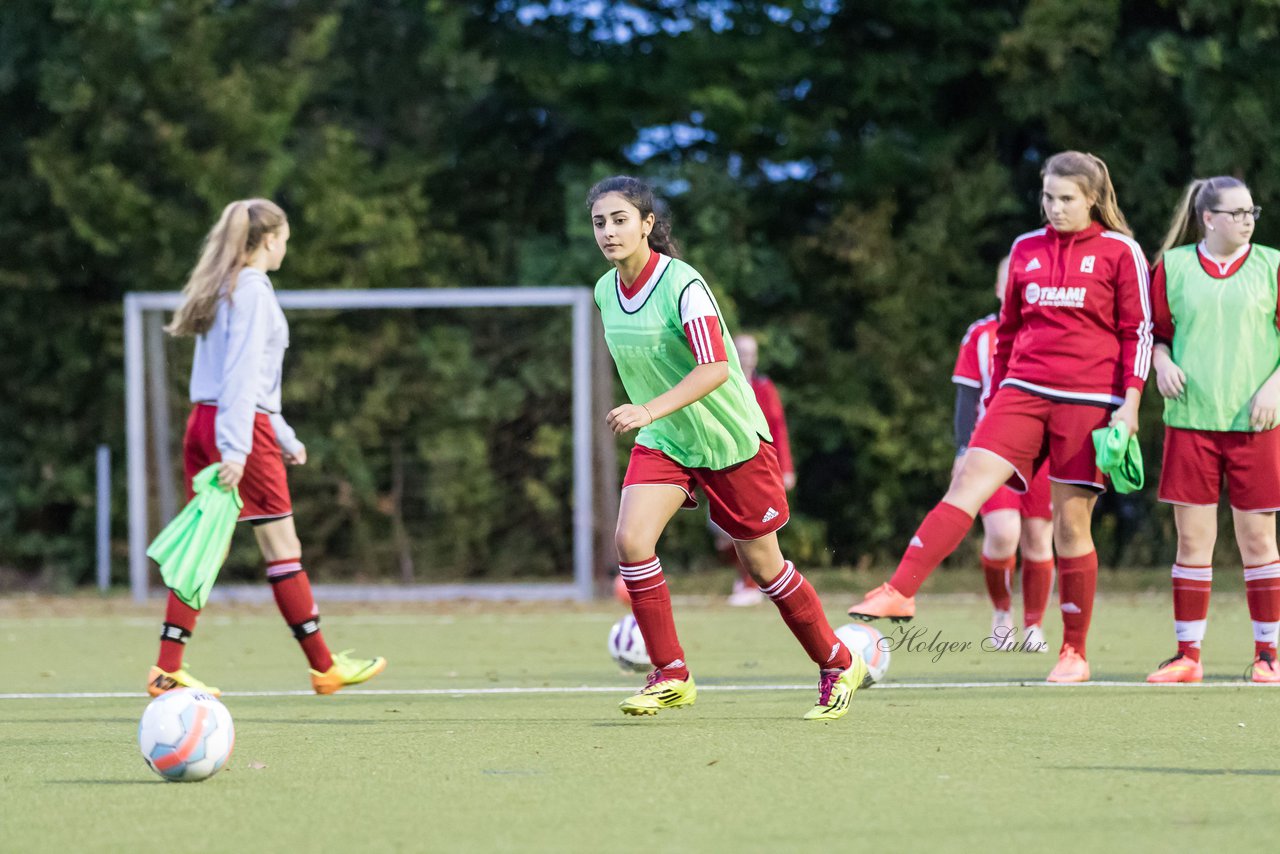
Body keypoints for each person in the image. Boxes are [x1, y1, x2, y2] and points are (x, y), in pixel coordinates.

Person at [847, 151, 1152, 683]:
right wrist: (1001, 395)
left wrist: (1129, 408)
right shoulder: (1025, 249)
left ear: (1093, 200)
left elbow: (1138, 335)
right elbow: (1008, 331)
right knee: (967, 481)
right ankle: (901, 591)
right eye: (1048, 197)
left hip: (1089, 401)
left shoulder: (1120, 252)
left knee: (1069, 526)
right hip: (1021, 392)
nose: (1053, 208)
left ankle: (1073, 652)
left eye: (1066, 199)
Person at [589, 175, 864, 720]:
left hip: (728, 440)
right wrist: (652, 417)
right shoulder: (603, 291)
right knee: (631, 540)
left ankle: (837, 660)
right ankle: (671, 674)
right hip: (668, 438)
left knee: (765, 569)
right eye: (600, 222)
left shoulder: (682, 285)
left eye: (621, 219)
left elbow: (715, 367)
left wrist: (647, 408)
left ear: (647, 225)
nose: (609, 231)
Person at [147, 199, 386, 697]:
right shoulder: (253, 289)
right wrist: (238, 448)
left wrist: (281, 434)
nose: (286, 247)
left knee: (206, 545)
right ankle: (323, 668)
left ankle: (168, 666)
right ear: (271, 239)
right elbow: (241, 372)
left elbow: (241, 377)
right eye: (286, 238)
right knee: (282, 549)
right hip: (238, 429)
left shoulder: (222, 285)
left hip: (208, 420)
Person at [1144, 176, 1280, 684]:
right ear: (1209, 218)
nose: (1248, 219)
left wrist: (1274, 388)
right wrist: (1160, 362)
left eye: (1252, 211)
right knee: (1193, 543)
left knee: (1258, 541)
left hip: (1256, 424)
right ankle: (1188, 657)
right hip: (1191, 423)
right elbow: (1156, 335)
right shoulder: (1173, 268)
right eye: (1238, 212)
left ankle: (1269, 656)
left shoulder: (1272, 264)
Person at [951, 257, 1054, 653]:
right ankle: (1001, 614)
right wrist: (963, 449)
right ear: (999, 288)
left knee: (1038, 539)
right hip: (992, 451)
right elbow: (966, 395)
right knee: (1002, 533)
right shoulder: (980, 334)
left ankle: (1034, 626)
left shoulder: (1052, 333)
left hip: (1044, 454)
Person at [710, 333, 797, 606]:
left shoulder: (764, 387)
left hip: (758, 466)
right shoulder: (720, 381)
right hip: (723, 464)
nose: (747, 357)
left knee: (754, 528)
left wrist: (786, 468)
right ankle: (754, 579)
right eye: (742, 351)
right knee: (720, 531)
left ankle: (753, 584)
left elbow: (778, 427)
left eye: (751, 352)